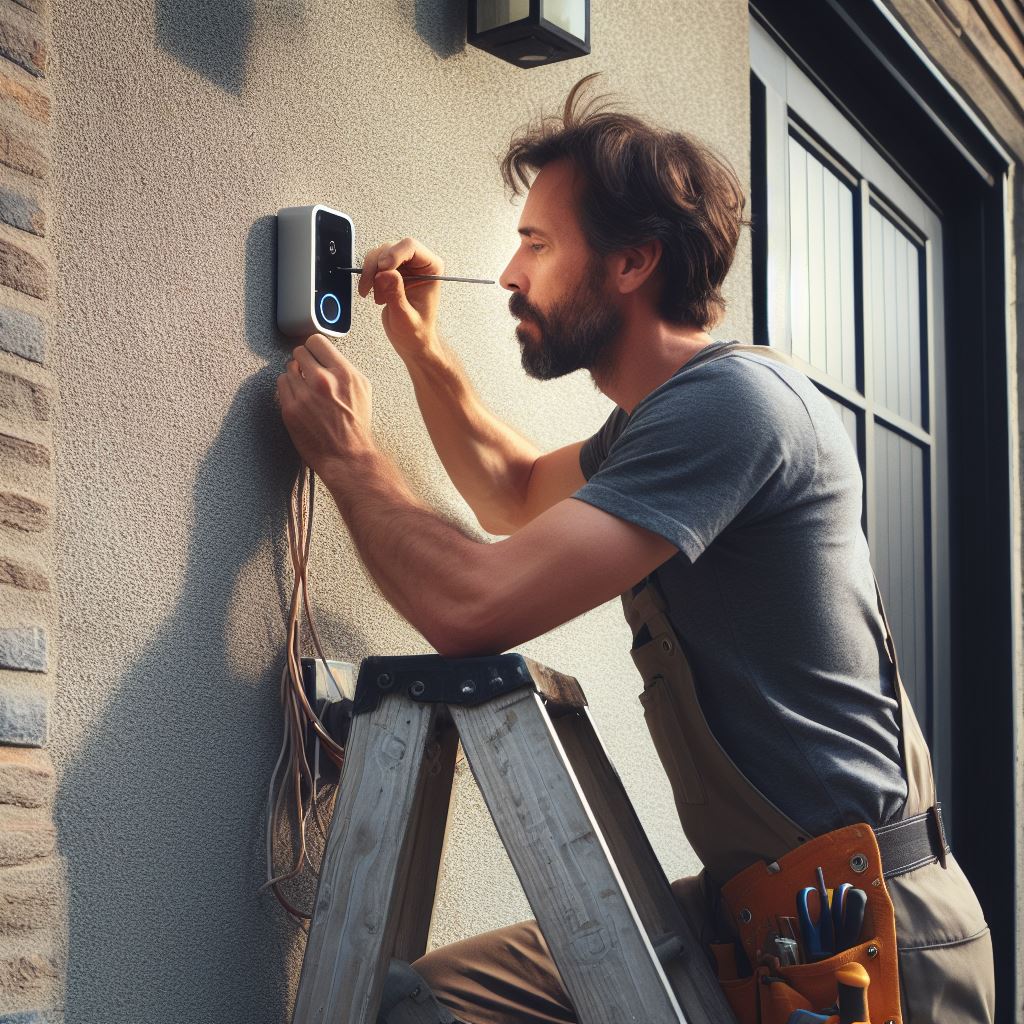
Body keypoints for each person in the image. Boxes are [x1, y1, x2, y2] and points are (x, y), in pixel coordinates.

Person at [276, 75, 994, 1024]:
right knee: (434, 1005)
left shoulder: (732, 409)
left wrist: (349, 458)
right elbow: (515, 489)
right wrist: (419, 350)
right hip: (757, 914)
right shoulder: (665, 421)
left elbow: (471, 606)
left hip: (868, 945)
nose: (508, 275)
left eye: (536, 245)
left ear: (632, 263)